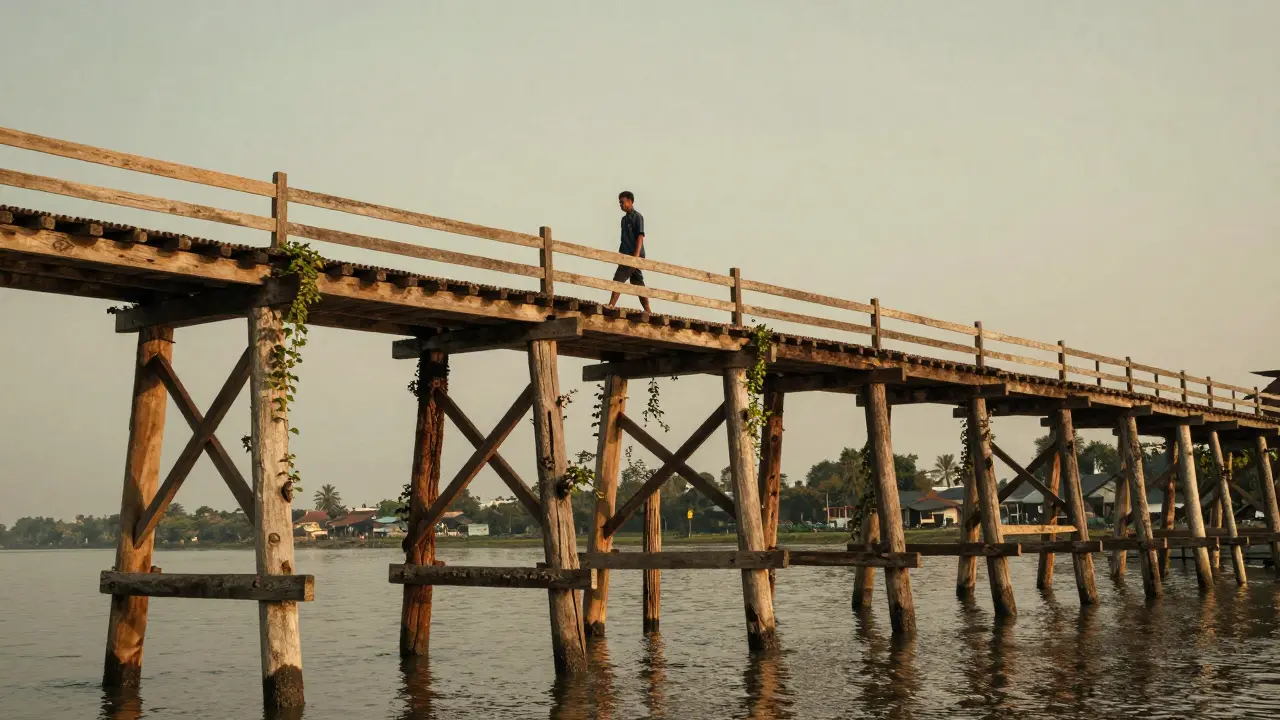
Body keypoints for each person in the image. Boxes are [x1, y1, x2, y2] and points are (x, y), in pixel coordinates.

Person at [608, 190, 651, 312]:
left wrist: (636, 256)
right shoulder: (623, 220)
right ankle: (648, 310)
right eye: (619, 203)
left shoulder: (637, 217)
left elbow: (640, 236)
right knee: (637, 282)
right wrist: (621, 255)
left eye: (622, 202)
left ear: (630, 201)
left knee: (618, 278)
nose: (621, 205)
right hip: (626, 254)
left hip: (633, 255)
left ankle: (611, 305)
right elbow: (624, 239)